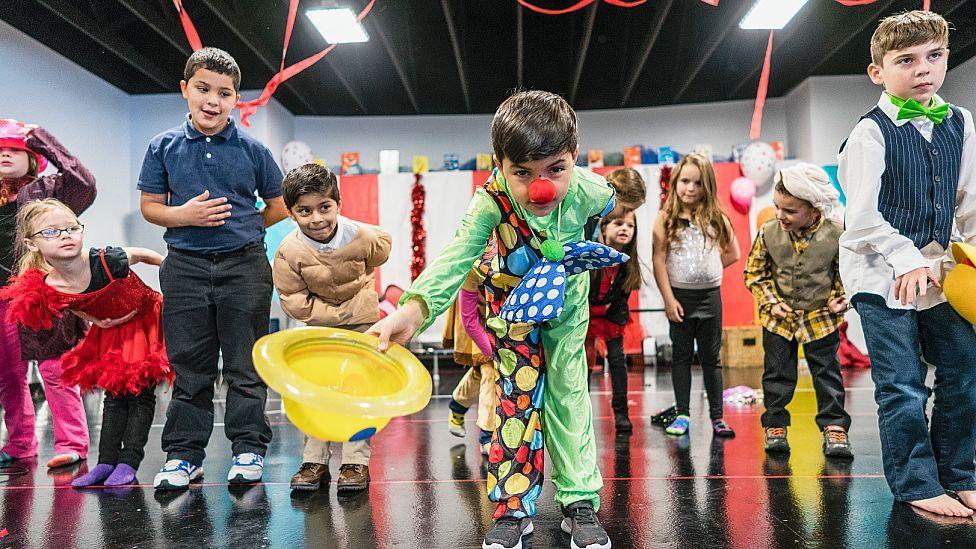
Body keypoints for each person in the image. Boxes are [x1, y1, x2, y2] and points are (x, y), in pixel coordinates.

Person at [368, 90, 618, 549]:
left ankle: (578, 501)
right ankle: (512, 508)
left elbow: (609, 207)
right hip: (512, 312)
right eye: (522, 173)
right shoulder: (491, 202)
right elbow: (456, 255)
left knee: (569, 395)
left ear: (574, 158)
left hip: (566, 310)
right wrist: (415, 308)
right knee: (513, 404)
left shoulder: (591, 191)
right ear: (499, 165)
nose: (539, 187)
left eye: (554, 170)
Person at [838, 10, 976, 517]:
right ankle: (916, 483)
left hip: (942, 275)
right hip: (878, 275)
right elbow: (862, 219)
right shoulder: (869, 134)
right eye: (906, 60)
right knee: (902, 384)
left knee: (965, 369)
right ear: (878, 71)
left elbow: (971, 204)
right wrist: (905, 258)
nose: (924, 69)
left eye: (934, 56)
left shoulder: (960, 121)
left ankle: (960, 473)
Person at [138, 47, 288, 490]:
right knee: (190, 367)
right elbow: (149, 207)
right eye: (203, 89)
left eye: (224, 93)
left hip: (245, 267)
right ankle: (184, 456)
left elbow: (278, 205)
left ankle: (248, 449)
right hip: (183, 266)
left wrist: (245, 227)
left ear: (236, 100)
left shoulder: (253, 150)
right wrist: (183, 216)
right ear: (185, 90)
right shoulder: (162, 147)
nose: (212, 100)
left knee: (245, 365)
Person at [0, 199, 172, 487]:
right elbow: (68, 303)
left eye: (71, 228)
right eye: (51, 232)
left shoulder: (107, 260)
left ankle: (129, 461)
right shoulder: (49, 284)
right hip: (112, 330)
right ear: (31, 244)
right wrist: (94, 318)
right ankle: (105, 462)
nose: (66, 235)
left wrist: (175, 281)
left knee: (139, 394)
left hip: (144, 321)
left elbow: (144, 255)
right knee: (114, 398)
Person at [272, 163, 391, 493]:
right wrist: (336, 315)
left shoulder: (361, 235)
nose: (317, 219)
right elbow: (293, 300)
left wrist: (358, 303)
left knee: (360, 388)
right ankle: (315, 461)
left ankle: (356, 462)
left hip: (363, 324)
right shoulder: (289, 251)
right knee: (318, 391)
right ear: (293, 214)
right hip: (319, 328)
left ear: (338, 203)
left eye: (325, 207)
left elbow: (382, 249)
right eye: (304, 211)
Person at [0, 119, 95, 469]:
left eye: (15, 150)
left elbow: (85, 182)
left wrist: (42, 140)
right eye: (1, 150)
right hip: (1, 297)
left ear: (32, 157)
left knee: (55, 368)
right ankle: (21, 442)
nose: (6, 155)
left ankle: (72, 443)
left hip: (43, 290)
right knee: (7, 374)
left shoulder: (49, 189)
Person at [744, 163, 853, 458]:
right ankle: (775, 425)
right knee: (776, 375)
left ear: (815, 211)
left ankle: (834, 427)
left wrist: (840, 297)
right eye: (778, 208)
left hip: (820, 318)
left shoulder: (837, 233)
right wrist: (770, 300)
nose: (781, 215)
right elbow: (754, 273)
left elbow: (847, 274)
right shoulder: (769, 232)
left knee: (827, 374)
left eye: (790, 211)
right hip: (779, 319)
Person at [651, 153, 739, 438]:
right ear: (675, 182)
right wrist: (668, 299)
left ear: (707, 186)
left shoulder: (716, 218)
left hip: (709, 297)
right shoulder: (665, 219)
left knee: (712, 358)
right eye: (685, 181)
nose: (690, 188)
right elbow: (658, 261)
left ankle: (717, 417)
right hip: (680, 299)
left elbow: (733, 253)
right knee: (681, 356)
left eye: (698, 183)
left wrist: (710, 270)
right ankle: (683, 414)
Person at [586, 206, 642, 434]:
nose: (625, 229)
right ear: (604, 228)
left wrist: (611, 311)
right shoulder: (593, 256)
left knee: (618, 361)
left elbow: (622, 299)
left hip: (611, 316)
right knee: (585, 365)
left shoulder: (628, 263)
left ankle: (621, 412)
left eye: (630, 226)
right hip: (586, 315)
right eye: (618, 224)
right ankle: (581, 414)